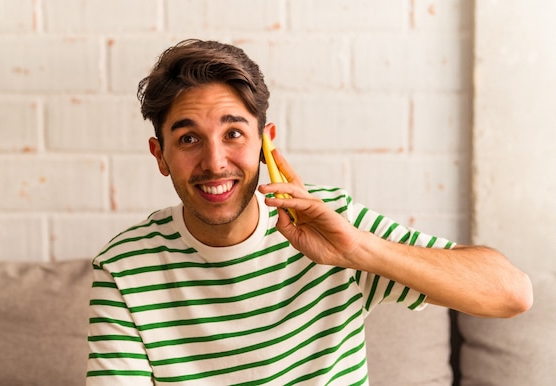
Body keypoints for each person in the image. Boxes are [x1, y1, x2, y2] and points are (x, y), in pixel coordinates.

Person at [86, 39, 532, 385]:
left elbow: (512, 294)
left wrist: (357, 250)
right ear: (160, 155)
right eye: (188, 139)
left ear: (267, 143)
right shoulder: (126, 266)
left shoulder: (328, 219)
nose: (215, 161)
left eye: (234, 134)